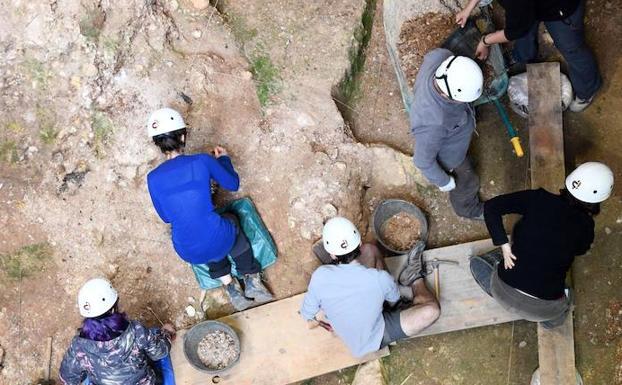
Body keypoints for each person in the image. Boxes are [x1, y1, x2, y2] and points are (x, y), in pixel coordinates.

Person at [146, 108, 272, 311]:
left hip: (187, 249)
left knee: (204, 237)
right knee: (230, 220)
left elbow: (166, 217)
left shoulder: (152, 178)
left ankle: (230, 288)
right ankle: (251, 280)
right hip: (216, 235)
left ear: (157, 144)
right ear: (183, 136)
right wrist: (223, 160)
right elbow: (233, 183)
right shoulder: (202, 161)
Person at [470, 162, 614, 328]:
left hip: (501, 289)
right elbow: (581, 250)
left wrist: (503, 243)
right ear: (599, 200)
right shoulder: (586, 227)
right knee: (563, 297)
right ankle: (552, 319)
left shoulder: (538, 199)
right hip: (543, 310)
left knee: (507, 256)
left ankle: (494, 268)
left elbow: (491, 207)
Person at [299, 217, 440, 358]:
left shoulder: (320, 277)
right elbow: (394, 299)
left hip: (358, 333)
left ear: (332, 254)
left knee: (371, 250)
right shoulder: (378, 278)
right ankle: (415, 278)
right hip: (374, 337)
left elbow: (307, 313)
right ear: (359, 243)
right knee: (431, 311)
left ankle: (404, 285)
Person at [456, 0, 601, 112]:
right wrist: (467, 10)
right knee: (525, 23)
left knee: (571, 48)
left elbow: (515, 31)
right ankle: (523, 55)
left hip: (559, 7)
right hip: (531, 5)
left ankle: (587, 90)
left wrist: (485, 41)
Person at [410, 49, 485, 219]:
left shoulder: (440, 58)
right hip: (451, 156)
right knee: (467, 181)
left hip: (456, 134)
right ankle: (468, 210)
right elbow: (422, 160)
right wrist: (444, 181)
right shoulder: (434, 122)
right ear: (448, 95)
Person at [59, 278, 176, 385]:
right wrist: (167, 333)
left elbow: (67, 378)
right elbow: (159, 351)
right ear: (113, 308)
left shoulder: (79, 347)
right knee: (155, 335)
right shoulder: (136, 331)